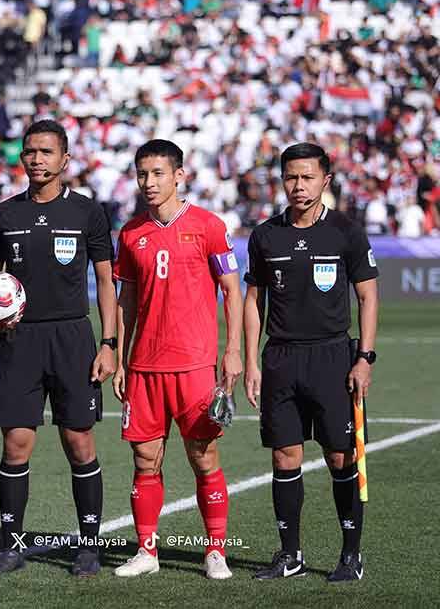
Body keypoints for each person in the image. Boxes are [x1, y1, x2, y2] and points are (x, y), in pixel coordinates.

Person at [0, 119, 117, 577]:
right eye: (29, 152)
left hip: (73, 339)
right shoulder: (3, 215)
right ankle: (11, 546)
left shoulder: (87, 213)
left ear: (65, 159)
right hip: (19, 342)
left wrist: (109, 342)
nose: (36, 159)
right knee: (16, 444)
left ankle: (89, 547)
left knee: (79, 442)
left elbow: (104, 280)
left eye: (45, 152)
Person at [244, 142, 379, 582]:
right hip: (281, 358)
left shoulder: (345, 231)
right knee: (284, 457)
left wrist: (365, 359)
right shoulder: (265, 235)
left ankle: (351, 555)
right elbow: (253, 300)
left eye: (307, 177)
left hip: (332, 356)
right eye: (290, 177)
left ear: (325, 180)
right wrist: (250, 361)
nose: (298, 185)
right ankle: (290, 554)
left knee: (340, 457)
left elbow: (367, 295)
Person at [111, 139, 242, 580]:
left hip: (194, 366)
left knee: (204, 457)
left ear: (179, 175)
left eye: (158, 174)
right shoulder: (131, 233)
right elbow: (126, 300)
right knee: (145, 460)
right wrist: (123, 359)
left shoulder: (207, 225)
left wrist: (233, 351)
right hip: (145, 368)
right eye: (142, 174)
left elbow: (231, 291)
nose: (149, 182)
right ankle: (147, 551)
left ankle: (215, 552)